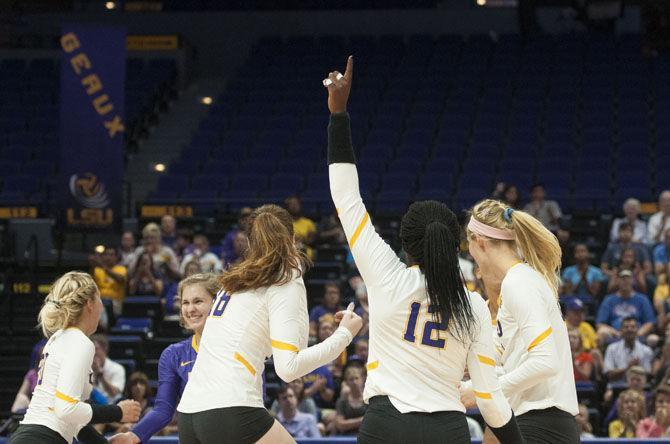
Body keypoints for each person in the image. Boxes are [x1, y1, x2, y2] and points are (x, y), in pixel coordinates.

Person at [324, 56, 523, 444]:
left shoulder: (387, 276)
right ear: (456, 245)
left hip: (384, 425)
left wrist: (338, 115)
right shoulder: (475, 305)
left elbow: (346, 197)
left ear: (406, 243)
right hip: (446, 429)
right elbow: (490, 401)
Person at [176, 204, 362, 444]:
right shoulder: (285, 278)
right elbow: (289, 368)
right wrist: (344, 335)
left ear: (250, 243)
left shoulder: (234, 281)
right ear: (293, 238)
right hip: (230, 407)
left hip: (190, 413)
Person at [463, 197, 579, 442]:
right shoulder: (518, 282)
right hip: (532, 421)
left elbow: (546, 362)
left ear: (480, 242)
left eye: (470, 250)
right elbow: (516, 364)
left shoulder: (519, 281)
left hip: (543, 424)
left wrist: (484, 390)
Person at [9, 272, 140, 444]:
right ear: (89, 304)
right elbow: (66, 409)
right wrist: (118, 412)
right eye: (100, 298)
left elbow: (73, 420)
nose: (102, 306)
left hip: (29, 435)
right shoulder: (80, 342)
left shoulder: (58, 338)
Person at [109, 273, 219, 444]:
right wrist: (134, 435)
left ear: (217, 304)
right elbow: (163, 409)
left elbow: (257, 397)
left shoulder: (238, 348)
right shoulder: (173, 354)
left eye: (198, 301)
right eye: (185, 302)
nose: (190, 309)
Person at [596, 271, 656, 342]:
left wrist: (637, 334)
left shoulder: (643, 299)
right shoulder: (609, 300)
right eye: (623, 279)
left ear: (633, 281)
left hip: (638, 335)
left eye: (628, 278)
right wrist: (615, 333)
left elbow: (650, 322)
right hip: (615, 335)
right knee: (601, 332)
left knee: (653, 339)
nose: (625, 281)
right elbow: (600, 323)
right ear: (618, 281)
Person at [603, 317, 654, 387]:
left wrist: (636, 370)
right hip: (616, 386)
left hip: (639, 387)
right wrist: (628, 368)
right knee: (608, 395)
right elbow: (609, 375)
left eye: (633, 327)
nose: (629, 329)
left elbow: (648, 375)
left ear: (637, 330)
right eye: (626, 327)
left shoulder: (646, 350)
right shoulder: (611, 348)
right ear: (621, 330)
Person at [90, 247, 128, 317]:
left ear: (116, 257)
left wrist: (103, 266)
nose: (108, 257)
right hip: (100, 301)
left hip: (115, 302)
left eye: (111, 255)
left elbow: (120, 279)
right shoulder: (97, 270)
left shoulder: (121, 269)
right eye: (106, 255)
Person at [91, 335, 126, 404]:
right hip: (92, 406)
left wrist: (100, 375)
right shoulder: (85, 368)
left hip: (111, 405)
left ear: (105, 349)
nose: (93, 352)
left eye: (96, 349)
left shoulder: (117, 368)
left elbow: (114, 393)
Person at [334, 364, 367, 436]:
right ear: (346, 382)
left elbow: (372, 422)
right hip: (345, 438)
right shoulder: (342, 400)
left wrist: (348, 423)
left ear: (362, 379)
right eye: (351, 379)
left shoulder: (368, 399)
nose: (354, 382)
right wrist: (362, 420)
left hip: (365, 436)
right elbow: (340, 424)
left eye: (356, 378)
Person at [285, 196, 317, 260]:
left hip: (305, 250)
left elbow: (311, 240)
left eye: (296, 204)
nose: (294, 206)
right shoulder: (284, 223)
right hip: (288, 251)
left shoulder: (308, 223)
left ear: (300, 205)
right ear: (287, 207)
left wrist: (301, 239)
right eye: (291, 204)